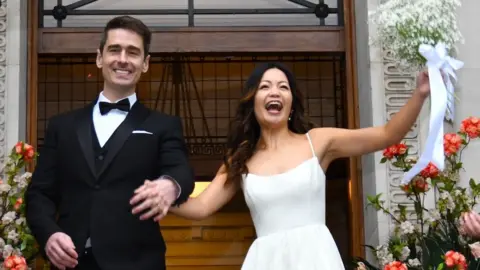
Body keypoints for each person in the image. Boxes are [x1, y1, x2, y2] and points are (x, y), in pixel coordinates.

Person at [132, 62, 431, 269]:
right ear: (254, 100)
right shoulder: (241, 159)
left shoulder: (319, 142)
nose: (274, 92)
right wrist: (158, 196)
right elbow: (200, 207)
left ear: (290, 102)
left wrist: (419, 94)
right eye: (265, 86)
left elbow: (387, 134)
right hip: (267, 261)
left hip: (316, 258)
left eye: (283, 87)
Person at [25, 16, 195, 270]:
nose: (123, 59)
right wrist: (49, 234)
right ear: (99, 57)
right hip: (72, 263)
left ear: (145, 63)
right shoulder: (62, 126)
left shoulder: (163, 125)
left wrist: (171, 185)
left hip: (138, 263)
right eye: (114, 50)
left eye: (133, 52)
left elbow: (182, 171)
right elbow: (39, 194)